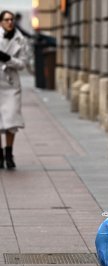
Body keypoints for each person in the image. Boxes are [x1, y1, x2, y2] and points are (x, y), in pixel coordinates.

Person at [0, 10, 28, 169]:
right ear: (1, 22)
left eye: (11, 19)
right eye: (6, 19)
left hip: (11, 86)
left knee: (11, 121)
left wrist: (8, 59)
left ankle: (9, 154)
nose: (10, 22)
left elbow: (23, 64)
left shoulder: (20, 39)